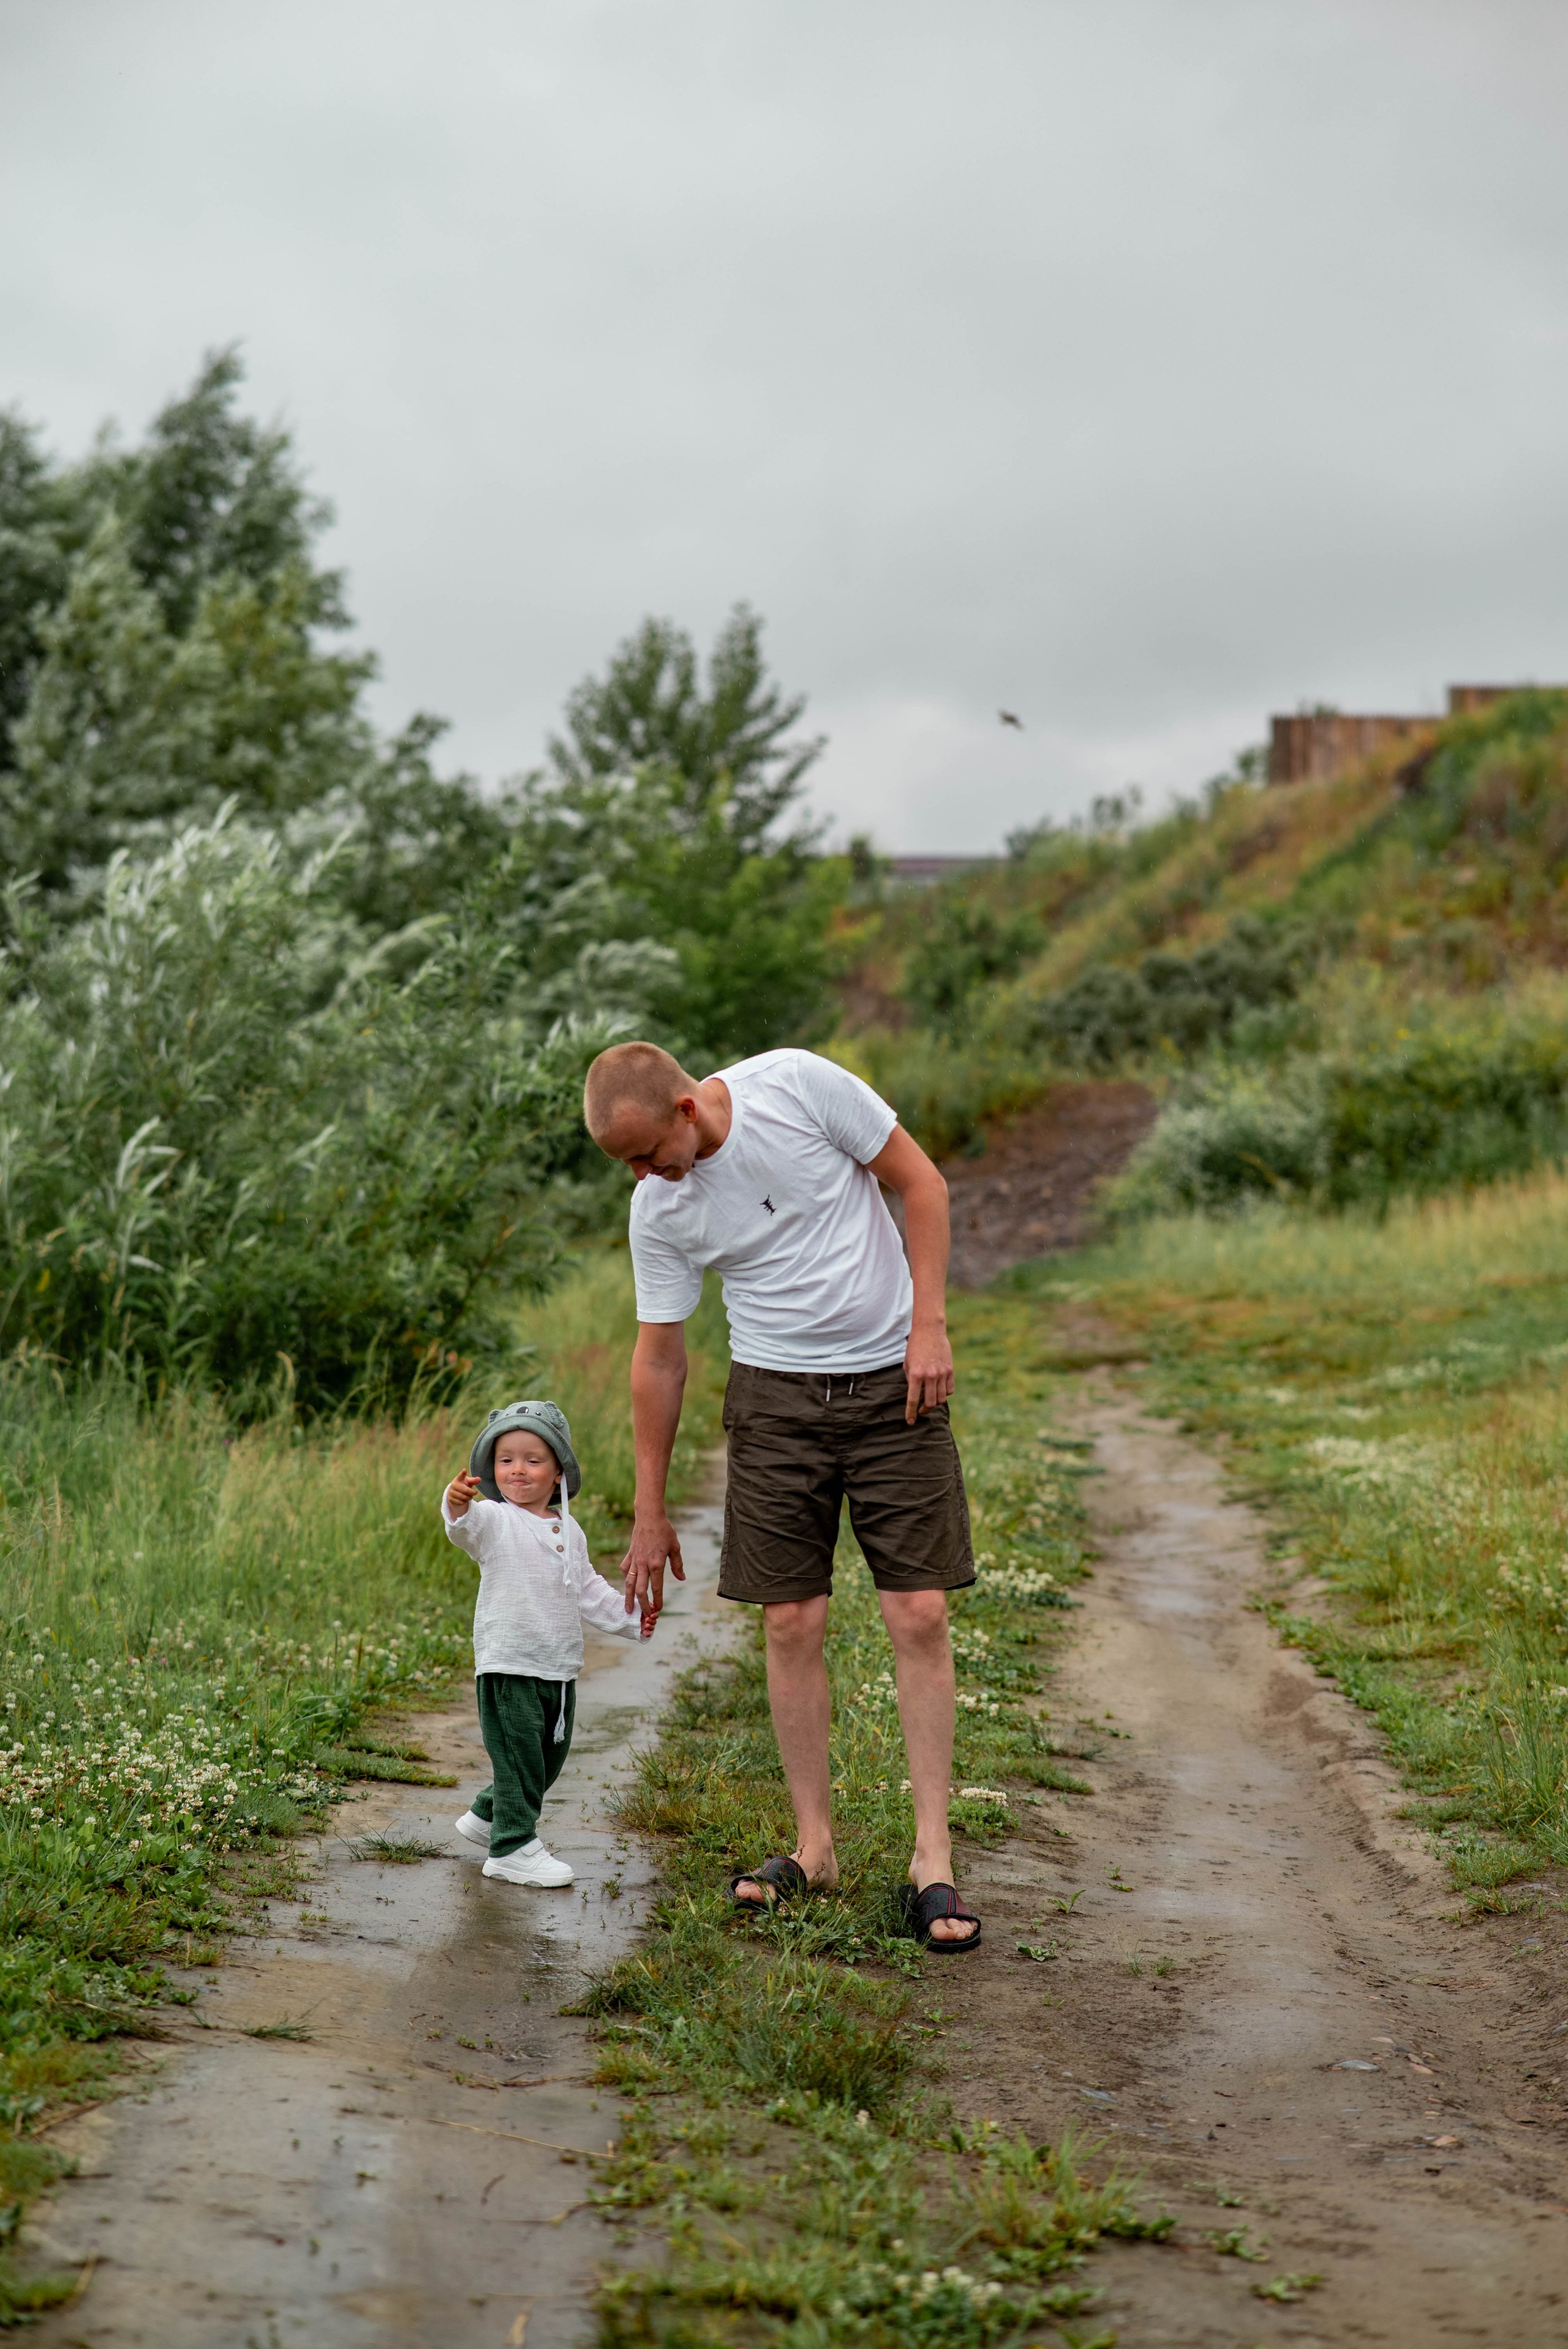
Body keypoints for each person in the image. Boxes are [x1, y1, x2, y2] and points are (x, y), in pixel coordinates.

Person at [583, 1040, 981, 1953]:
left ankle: (932, 1856)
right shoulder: (659, 1207)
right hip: (774, 1404)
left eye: (647, 1153)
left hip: (894, 1383)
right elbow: (661, 1354)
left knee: (918, 1611)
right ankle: (816, 1845)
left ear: (687, 1107)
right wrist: (649, 1507)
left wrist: (930, 1326)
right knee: (790, 1621)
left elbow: (922, 1183)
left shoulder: (799, 1086)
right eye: (627, 1165)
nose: (641, 1176)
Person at [443, 1400, 654, 1888]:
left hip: (558, 1670)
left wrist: (634, 1618)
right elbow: (463, 1528)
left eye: (533, 1459)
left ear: (558, 1468)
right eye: (506, 1459)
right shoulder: (495, 1519)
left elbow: (588, 1590)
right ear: (492, 1470)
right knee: (520, 1757)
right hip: (510, 1664)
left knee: (545, 1761)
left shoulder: (568, 1529)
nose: (518, 1470)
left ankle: (486, 1814)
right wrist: (456, 1503)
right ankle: (511, 1847)